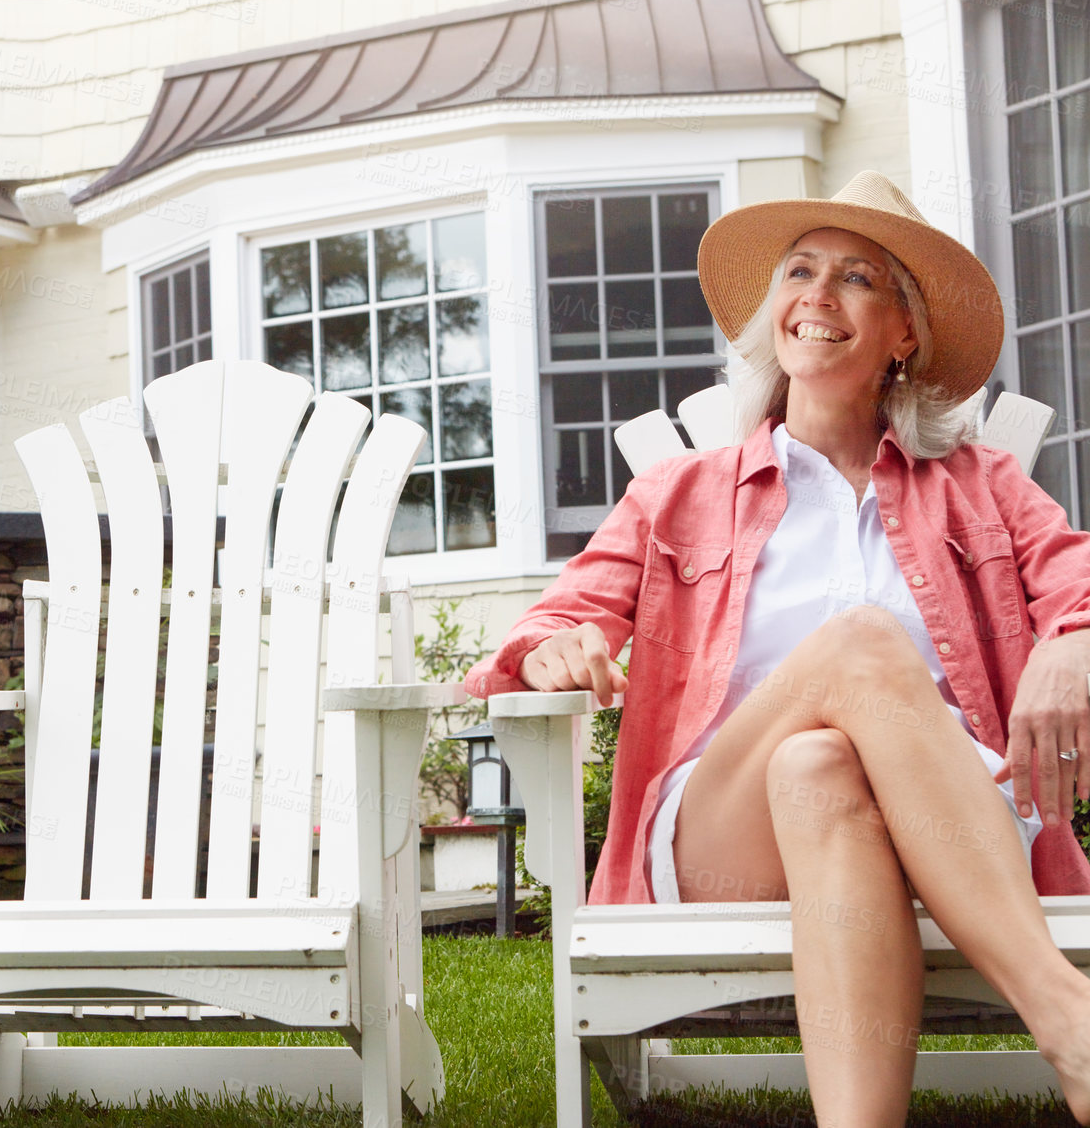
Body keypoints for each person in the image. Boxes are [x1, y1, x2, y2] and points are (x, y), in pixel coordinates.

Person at [465, 171, 1090, 1125]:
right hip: (723, 829)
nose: (819, 296)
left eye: (858, 278)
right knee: (860, 650)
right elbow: (551, 623)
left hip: (959, 824)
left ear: (904, 333)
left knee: (820, 764)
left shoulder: (981, 484)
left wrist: (1070, 644)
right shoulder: (681, 493)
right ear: (775, 316)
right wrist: (553, 650)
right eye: (801, 271)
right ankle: (1069, 1024)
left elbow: (1076, 582)